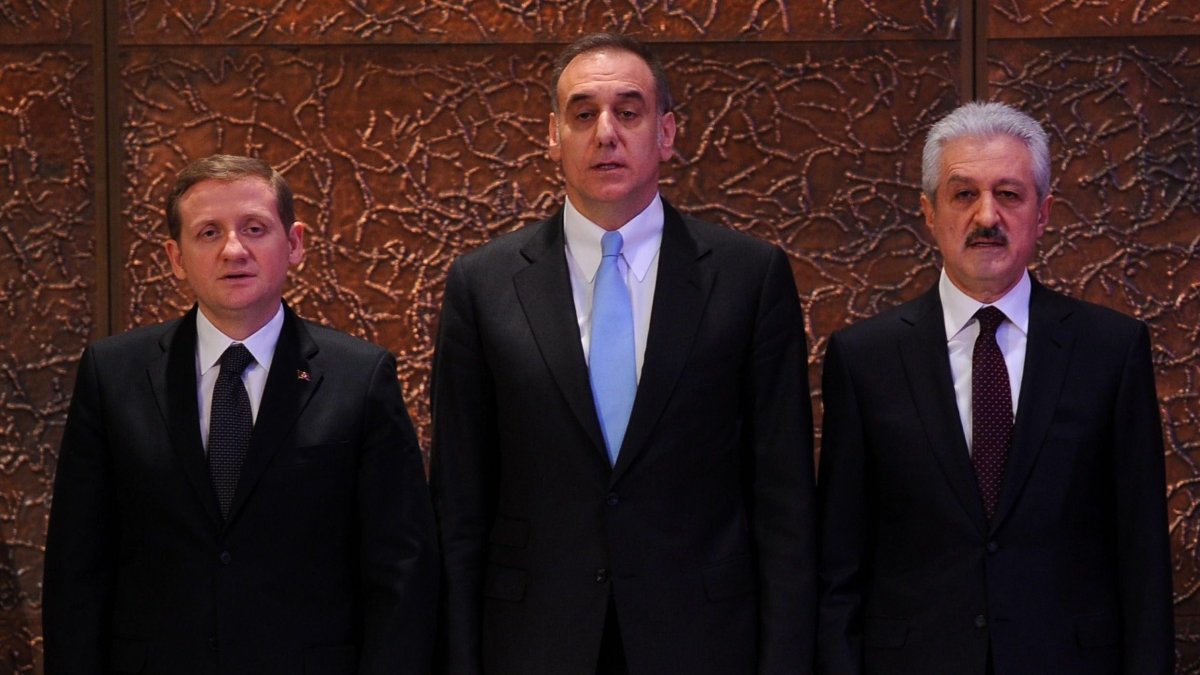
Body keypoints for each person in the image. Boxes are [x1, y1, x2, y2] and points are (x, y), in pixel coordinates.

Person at [430, 32, 816, 675]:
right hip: (532, 640)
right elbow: (459, 499)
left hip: (703, 640)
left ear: (665, 134)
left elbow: (784, 501)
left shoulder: (749, 278)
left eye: (628, 112)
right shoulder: (484, 283)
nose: (605, 132)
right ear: (552, 136)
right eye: (583, 114)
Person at [42, 155, 439, 674]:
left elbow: (401, 570)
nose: (234, 250)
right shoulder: (113, 375)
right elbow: (77, 566)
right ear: (176, 257)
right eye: (208, 232)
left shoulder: (359, 377)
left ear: (293, 244)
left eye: (255, 228)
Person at [816, 101, 1174, 674]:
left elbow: (1143, 557)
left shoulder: (1111, 351)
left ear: (1044, 213)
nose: (987, 217)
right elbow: (839, 566)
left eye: (1009, 194)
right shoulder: (865, 359)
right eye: (963, 194)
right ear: (929, 213)